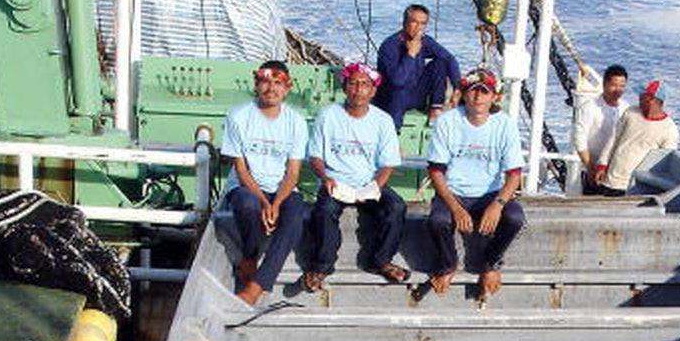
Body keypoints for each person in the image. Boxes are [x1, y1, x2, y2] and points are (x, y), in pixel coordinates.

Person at [301, 62, 410, 291]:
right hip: (336, 182)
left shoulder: (383, 120)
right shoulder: (328, 115)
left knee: (396, 207)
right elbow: (315, 157)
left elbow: (388, 163)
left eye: (364, 84)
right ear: (344, 87)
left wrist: (374, 187)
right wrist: (325, 178)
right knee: (324, 211)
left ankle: (381, 260)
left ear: (373, 90)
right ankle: (321, 266)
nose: (358, 89)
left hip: (368, 183)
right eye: (353, 83)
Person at [425, 68, 526, 299]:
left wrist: (498, 204)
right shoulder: (448, 122)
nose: (478, 97)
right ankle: (448, 265)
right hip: (454, 192)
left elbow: (514, 174)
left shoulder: (504, 124)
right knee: (438, 221)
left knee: (515, 219)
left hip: (490, 193)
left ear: (494, 97)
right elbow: (436, 171)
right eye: (473, 91)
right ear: (464, 94)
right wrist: (455, 207)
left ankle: (490, 264)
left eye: (484, 92)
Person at [221, 61, 308, 305]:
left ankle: (258, 285)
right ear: (257, 85)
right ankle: (250, 254)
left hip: (281, 187)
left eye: (278, 83)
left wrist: (277, 203)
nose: (271, 88)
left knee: (295, 217)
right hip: (247, 185)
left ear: (287, 88)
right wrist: (263, 201)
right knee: (248, 207)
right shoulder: (238, 116)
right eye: (266, 82)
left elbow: (292, 173)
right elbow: (241, 168)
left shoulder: (296, 122)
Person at [373, 4, 462, 130]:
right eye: (414, 22)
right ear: (404, 23)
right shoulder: (389, 46)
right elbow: (397, 81)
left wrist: (458, 87)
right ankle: (394, 132)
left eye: (423, 23)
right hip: (390, 98)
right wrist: (411, 54)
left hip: (415, 94)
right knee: (400, 90)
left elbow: (449, 59)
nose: (418, 27)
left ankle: (435, 109)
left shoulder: (424, 41)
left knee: (440, 63)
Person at [594, 79, 680, 196]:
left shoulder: (669, 130)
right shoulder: (630, 112)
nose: (639, 98)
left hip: (634, 188)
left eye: (642, 96)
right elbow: (614, 139)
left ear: (653, 100)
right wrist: (602, 165)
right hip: (611, 180)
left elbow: (663, 164)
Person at [572, 64, 629, 193]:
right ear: (604, 84)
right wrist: (590, 167)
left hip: (615, 170)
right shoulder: (590, 107)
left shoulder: (626, 108)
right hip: (591, 166)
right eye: (614, 85)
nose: (618, 90)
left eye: (622, 86)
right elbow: (579, 138)